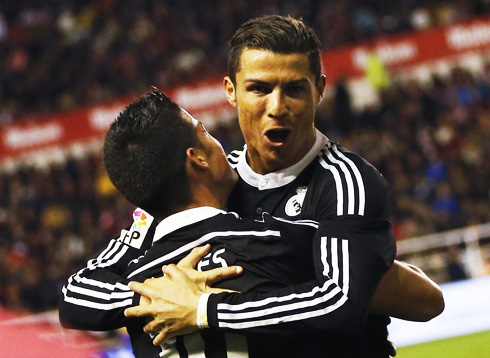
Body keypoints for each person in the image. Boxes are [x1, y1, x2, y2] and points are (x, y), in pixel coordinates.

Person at [60, 15, 444, 357]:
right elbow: (77, 295)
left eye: (294, 88)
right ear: (231, 91)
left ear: (320, 90)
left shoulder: (346, 182)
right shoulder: (205, 183)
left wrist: (203, 308)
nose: (277, 106)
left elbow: (342, 302)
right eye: (259, 88)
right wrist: (158, 296)